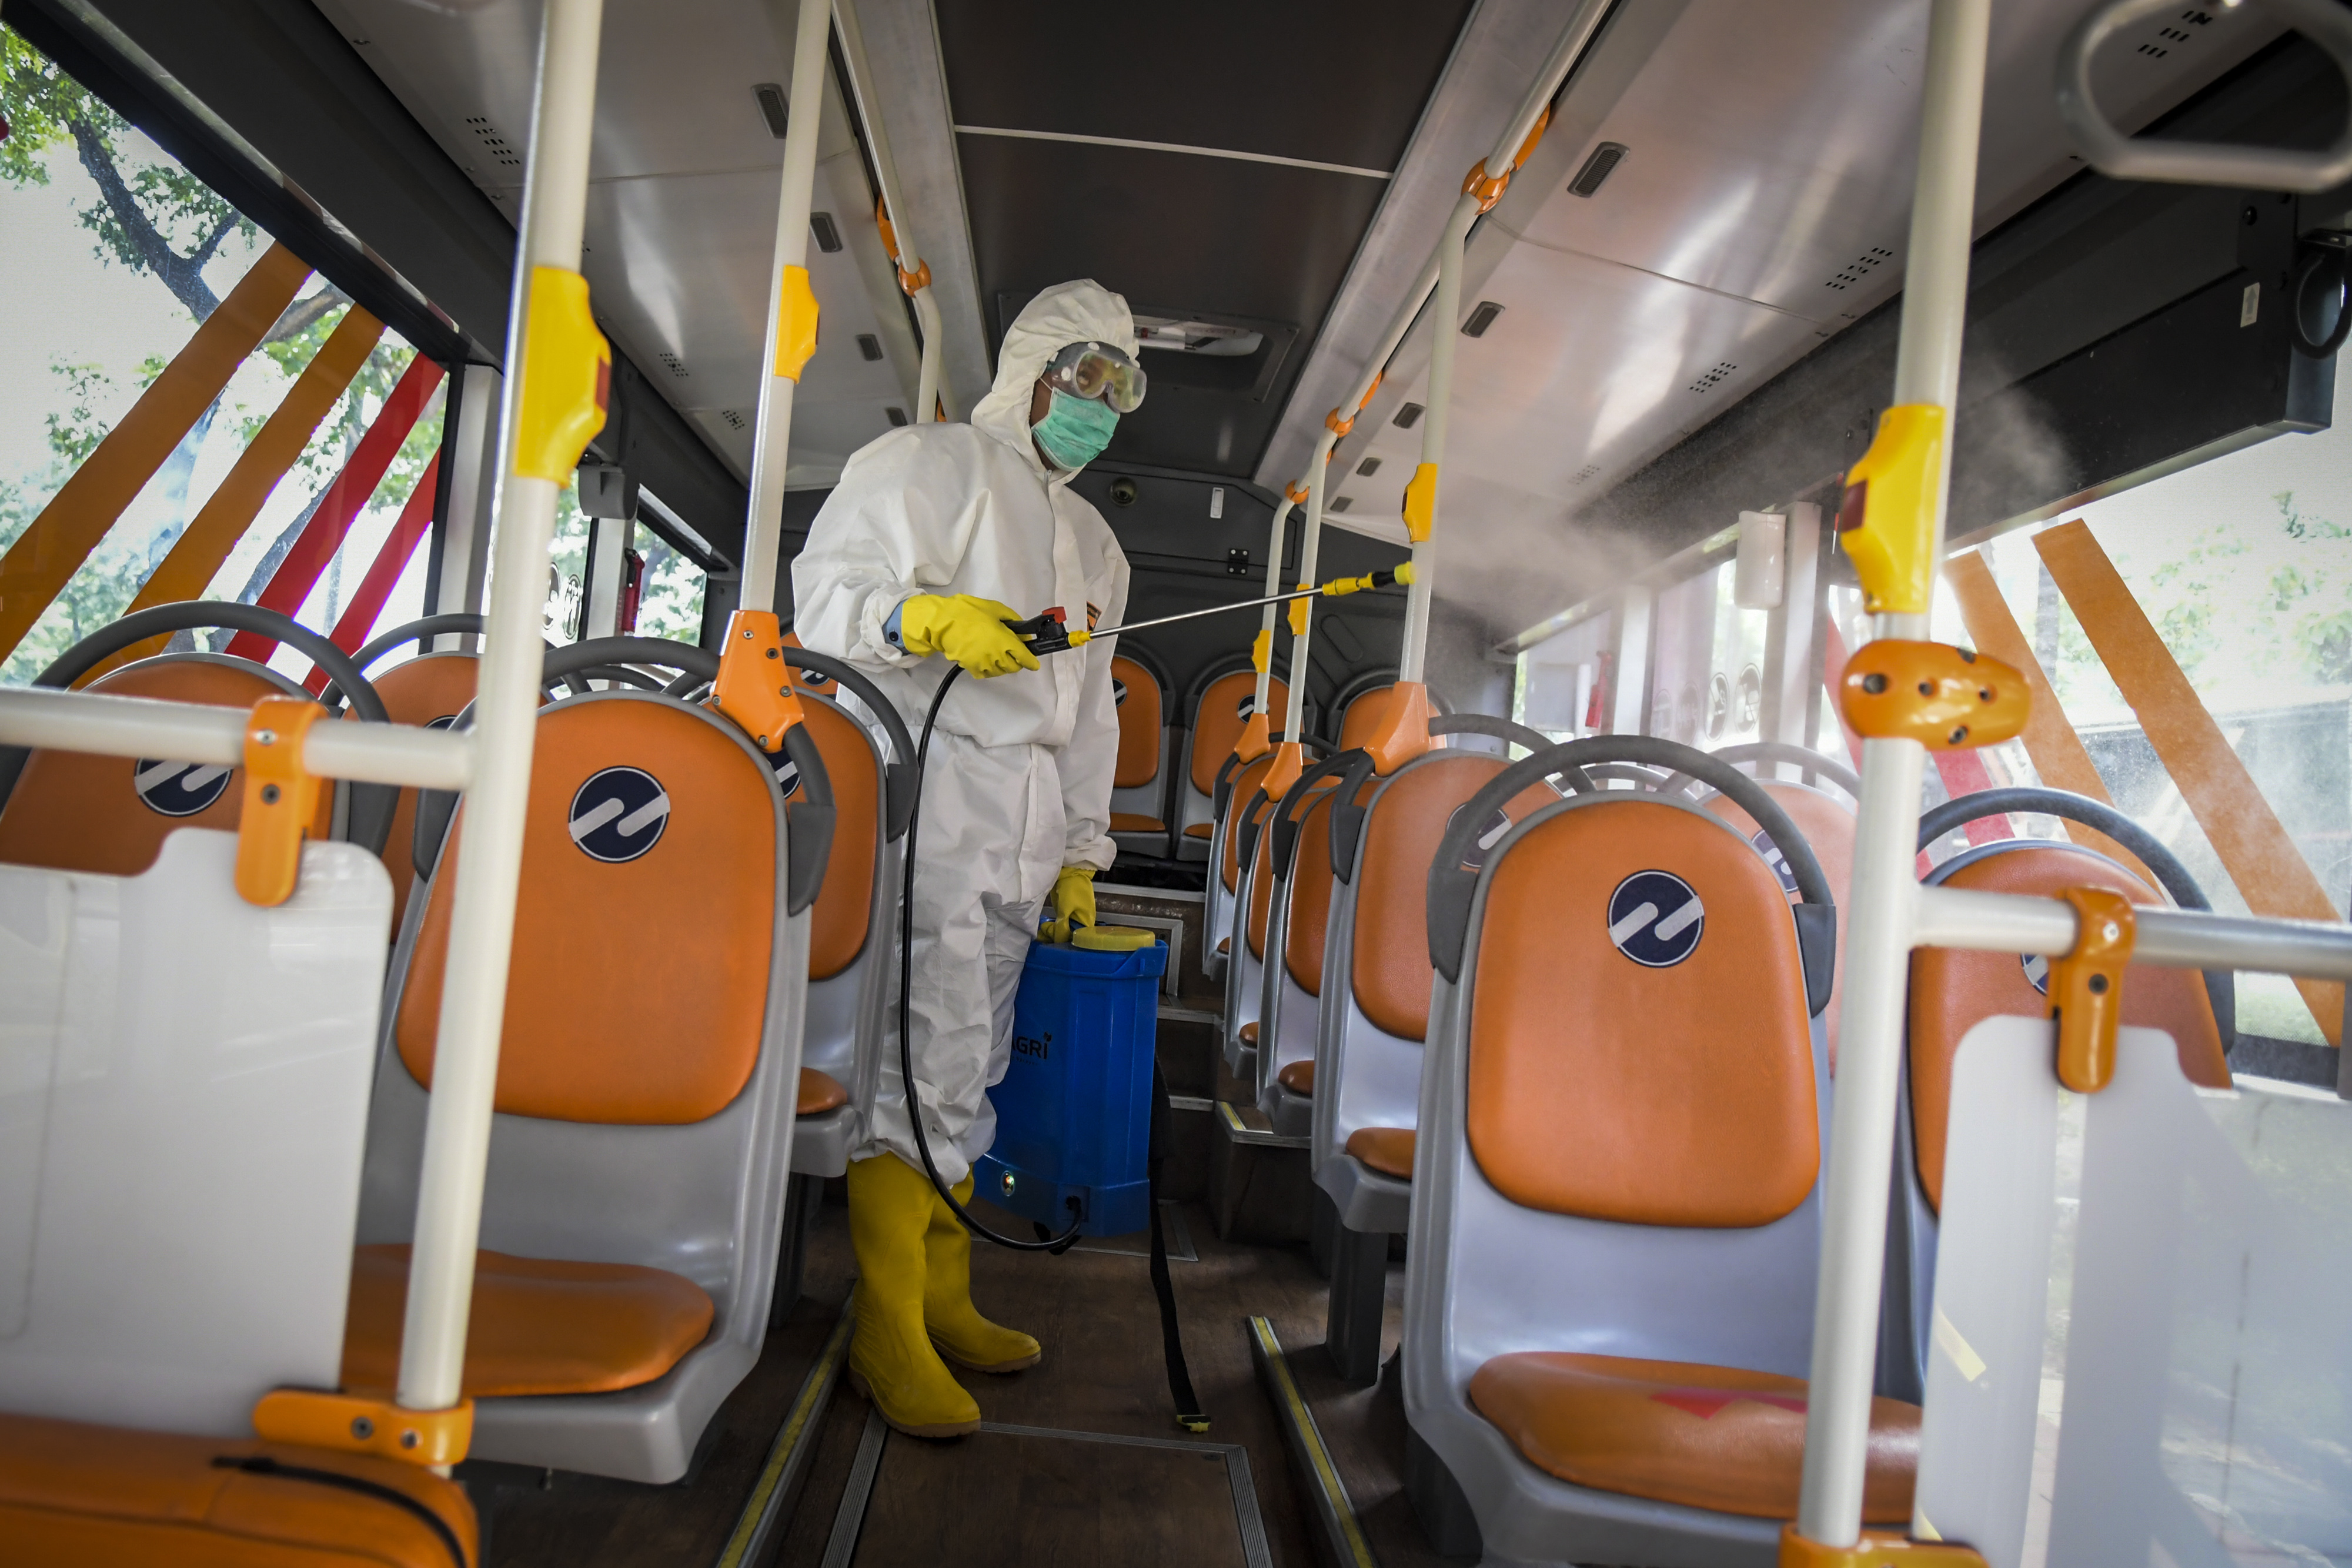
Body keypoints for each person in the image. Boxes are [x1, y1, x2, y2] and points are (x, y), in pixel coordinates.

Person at [791, 280, 1144, 1437]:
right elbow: (827, 598)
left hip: (1032, 811)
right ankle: (885, 1323)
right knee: (922, 1051)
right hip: (936, 786)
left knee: (974, 1050)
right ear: (1035, 365)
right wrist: (926, 621)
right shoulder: (924, 463)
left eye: (1120, 390)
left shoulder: (1095, 545)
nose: (1099, 408)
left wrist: (1082, 851)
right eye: (1086, 378)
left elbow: (1089, 709)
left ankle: (944, 1291)